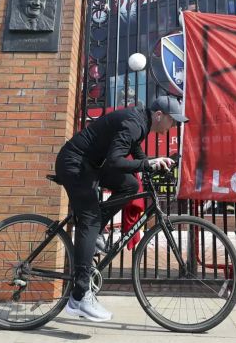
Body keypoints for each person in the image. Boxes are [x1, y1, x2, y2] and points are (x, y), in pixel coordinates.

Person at [55, 95, 187, 322]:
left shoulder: (141, 122)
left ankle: (95, 230)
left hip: (90, 165)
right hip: (75, 164)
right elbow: (116, 160)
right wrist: (148, 163)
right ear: (159, 115)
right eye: (173, 121)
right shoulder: (134, 123)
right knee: (90, 218)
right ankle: (79, 297)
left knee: (130, 185)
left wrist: (154, 164)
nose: (173, 126)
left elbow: (136, 153)